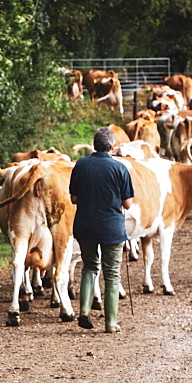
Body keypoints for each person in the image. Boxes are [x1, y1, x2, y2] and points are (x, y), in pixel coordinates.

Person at [69, 127, 135, 333]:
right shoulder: (120, 168)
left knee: (89, 267)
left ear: (94, 144)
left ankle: (84, 312)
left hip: (85, 225)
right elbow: (128, 204)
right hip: (112, 229)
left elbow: (74, 198)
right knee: (112, 274)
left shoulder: (81, 165)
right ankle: (111, 323)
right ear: (112, 147)